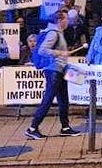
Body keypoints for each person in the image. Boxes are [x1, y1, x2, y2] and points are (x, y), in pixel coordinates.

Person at [25, 10, 81, 139]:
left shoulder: (58, 33)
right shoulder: (53, 34)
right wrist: (60, 53)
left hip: (59, 69)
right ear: (60, 21)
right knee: (48, 99)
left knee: (63, 100)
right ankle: (32, 128)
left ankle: (65, 127)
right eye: (66, 19)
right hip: (53, 70)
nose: (68, 21)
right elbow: (43, 50)